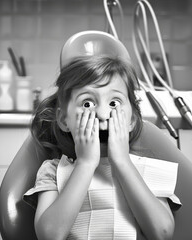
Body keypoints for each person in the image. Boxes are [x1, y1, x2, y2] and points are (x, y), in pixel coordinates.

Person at [23, 55, 181, 240]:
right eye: (87, 103)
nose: (102, 114)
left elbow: (162, 233)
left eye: (114, 103)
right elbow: (49, 235)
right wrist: (85, 163)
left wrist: (122, 162)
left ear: (131, 119)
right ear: (63, 119)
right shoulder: (52, 171)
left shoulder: (149, 170)